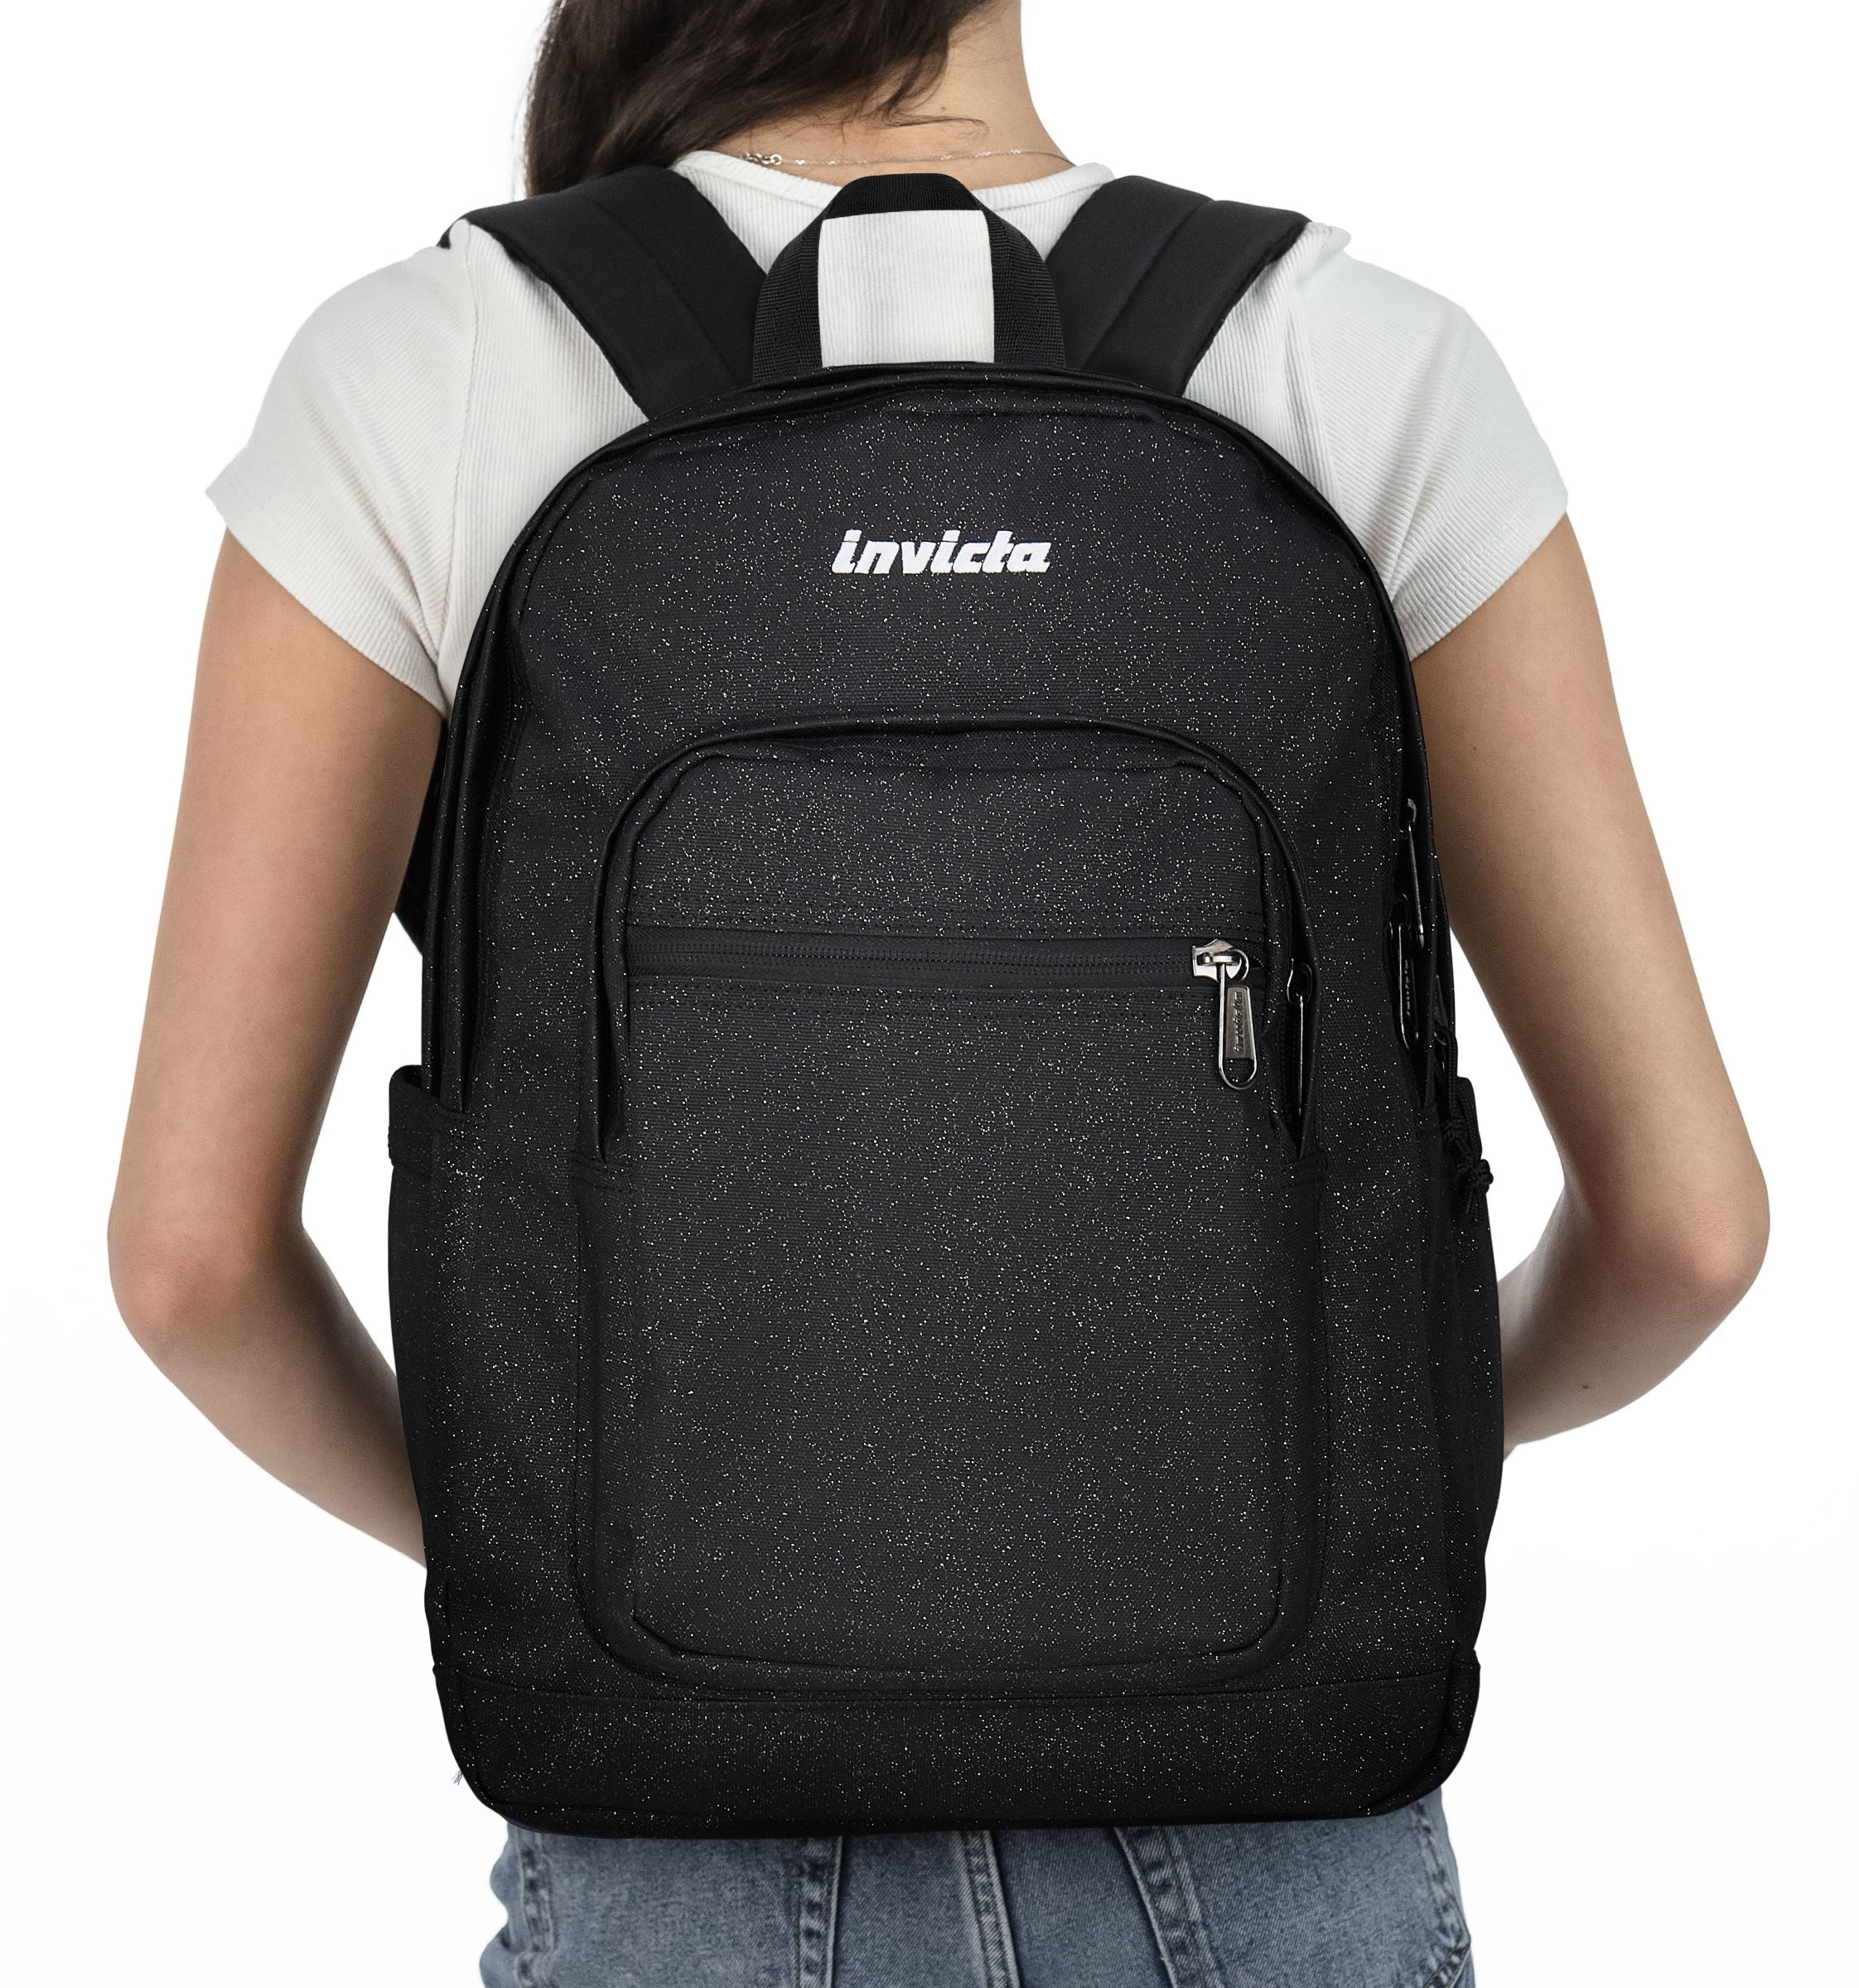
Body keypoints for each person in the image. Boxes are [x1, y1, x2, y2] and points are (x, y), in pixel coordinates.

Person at [109, 2, 1768, 1981]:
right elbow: (1688, 1231)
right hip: (1273, 1829)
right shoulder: (1359, 359)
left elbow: (191, 1266)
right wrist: (1330, 1474)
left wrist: (577, 1545)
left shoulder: (426, 369)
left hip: (686, 1833)